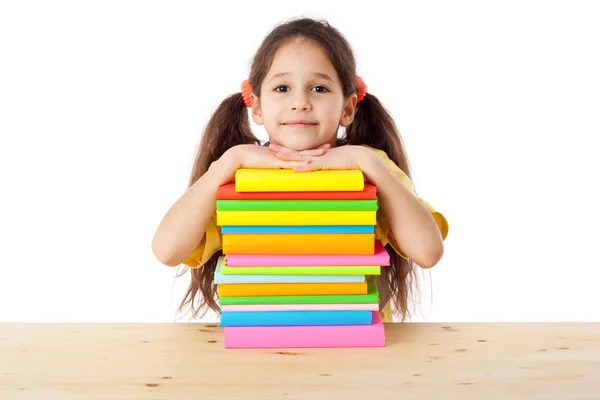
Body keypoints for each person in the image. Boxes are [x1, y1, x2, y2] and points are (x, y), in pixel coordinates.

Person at [152, 17, 449, 323]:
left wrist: (368, 162)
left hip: (355, 351)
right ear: (256, 107)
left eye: (319, 88)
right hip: (260, 347)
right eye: (282, 88)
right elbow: (167, 250)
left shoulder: (369, 165)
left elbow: (427, 252)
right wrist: (230, 160)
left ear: (347, 108)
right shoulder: (236, 170)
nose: (300, 103)